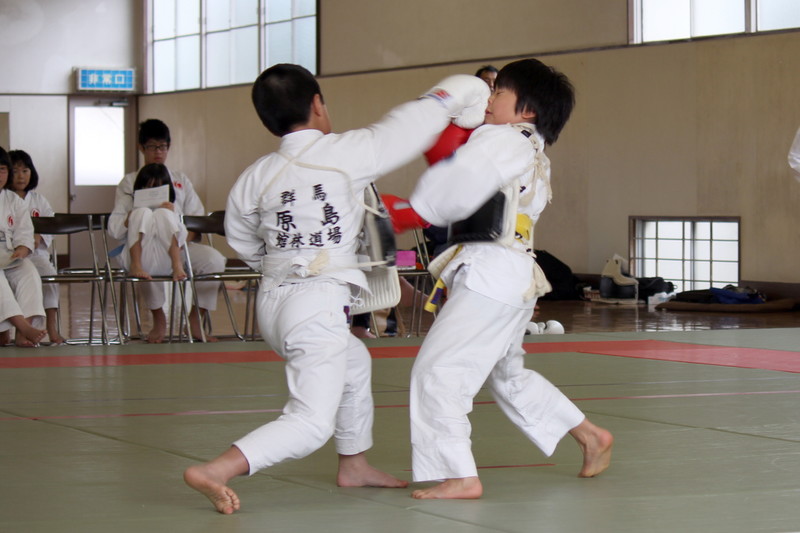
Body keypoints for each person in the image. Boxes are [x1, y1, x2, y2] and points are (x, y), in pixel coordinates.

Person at [183, 63, 489, 514]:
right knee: (308, 421)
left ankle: (354, 464)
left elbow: (241, 237)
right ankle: (218, 469)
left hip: (274, 303)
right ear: (317, 104)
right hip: (316, 302)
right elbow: (411, 126)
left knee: (354, 362)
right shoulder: (348, 151)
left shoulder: (257, 174)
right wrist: (461, 90)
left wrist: (285, 264)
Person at [407, 58, 613, 500]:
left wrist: (410, 211)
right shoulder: (530, 148)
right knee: (507, 375)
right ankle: (590, 435)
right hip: (509, 274)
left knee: (437, 371)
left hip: (492, 275)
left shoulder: (501, 139)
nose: (490, 99)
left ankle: (460, 474)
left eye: (499, 92)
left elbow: (450, 186)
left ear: (528, 110)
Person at [108, 119, 225, 343]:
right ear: (141, 148)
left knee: (215, 261)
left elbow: (198, 220)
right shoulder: (130, 182)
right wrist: (133, 216)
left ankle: (195, 319)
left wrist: (180, 239)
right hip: (141, 246)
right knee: (144, 251)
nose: (158, 152)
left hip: (178, 246)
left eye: (163, 147)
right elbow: (114, 227)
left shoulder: (180, 180)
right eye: (152, 146)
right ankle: (158, 318)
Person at [7, 149, 65, 344]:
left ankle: (50, 326)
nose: (21, 176)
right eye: (15, 171)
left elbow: (50, 225)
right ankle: (13, 331)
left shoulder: (39, 200)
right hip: (11, 254)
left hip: (37, 255)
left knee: (49, 278)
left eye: (25, 170)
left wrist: (39, 235)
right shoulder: (5, 199)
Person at [0, 147, 46, 347]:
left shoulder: (13, 201)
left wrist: (23, 248)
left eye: (2, 169)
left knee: (29, 271)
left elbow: (25, 231)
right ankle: (23, 326)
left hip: (9, 254)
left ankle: (22, 330)